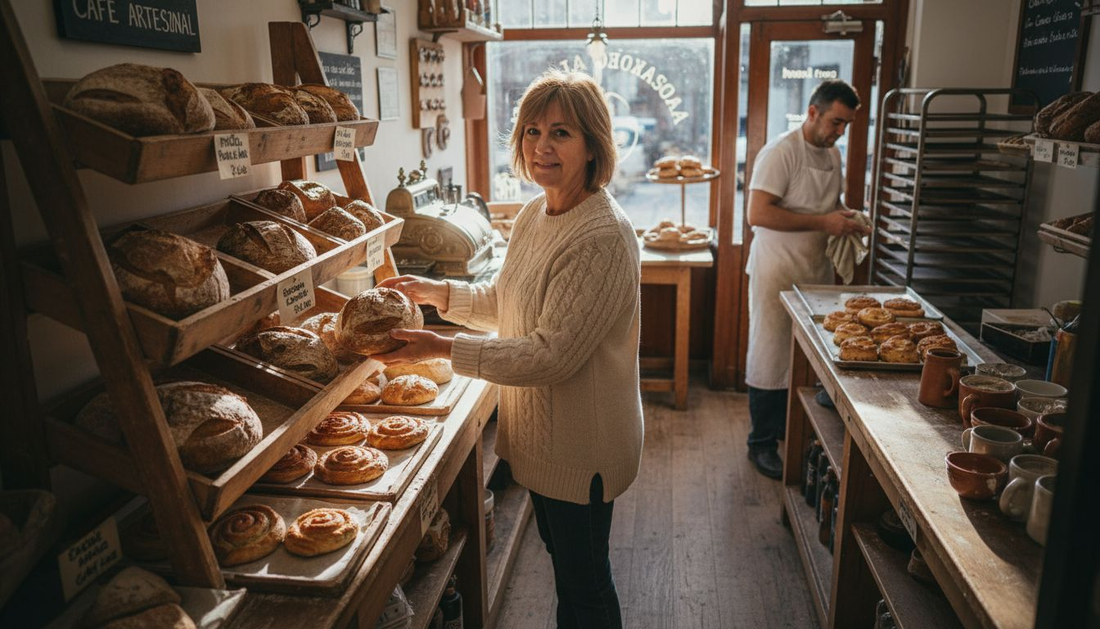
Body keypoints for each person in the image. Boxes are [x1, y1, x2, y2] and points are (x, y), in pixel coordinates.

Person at [374, 69, 643, 629]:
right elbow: (509, 300)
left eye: (562, 132)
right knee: (568, 573)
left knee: (586, 586)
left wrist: (442, 345)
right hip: (546, 442)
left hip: (582, 446)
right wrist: (440, 293)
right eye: (532, 131)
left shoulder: (601, 235)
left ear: (594, 145)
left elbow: (551, 354)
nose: (542, 146)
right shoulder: (535, 212)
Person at [744, 79, 867, 479]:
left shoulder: (832, 155)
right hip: (776, 268)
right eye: (835, 122)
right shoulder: (780, 153)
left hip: (815, 268)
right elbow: (758, 214)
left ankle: (790, 431)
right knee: (771, 352)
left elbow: (829, 205)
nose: (839, 132)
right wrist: (823, 221)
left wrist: (846, 217)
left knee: (806, 357)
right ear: (812, 112)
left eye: (846, 125)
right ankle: (760, 444)